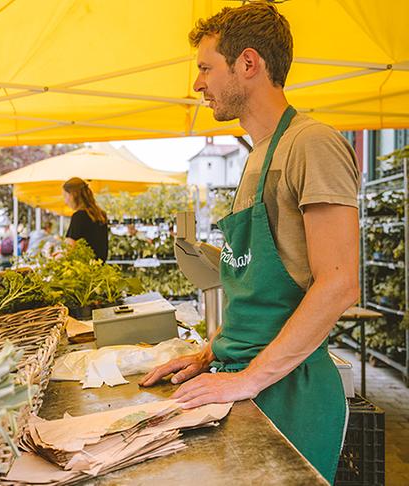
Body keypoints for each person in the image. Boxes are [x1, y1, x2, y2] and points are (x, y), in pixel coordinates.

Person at [140, 4, 359, 482]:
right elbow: (257, 287)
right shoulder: (260, 154)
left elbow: (340, 284)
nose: (198, 84)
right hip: (242, 374)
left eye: (205, 67)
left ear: (249, 63)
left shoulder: (312, 144)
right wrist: (210, 353)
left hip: (286, 389)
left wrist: (248, 378)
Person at [63, 177, 109, 261]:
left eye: (65, 196)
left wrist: (57, 256)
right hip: (99, 268)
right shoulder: (101, 215)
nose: (65, 201)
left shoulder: (79, 216)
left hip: (83, 270)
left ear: (73, 195)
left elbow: (69, 248)